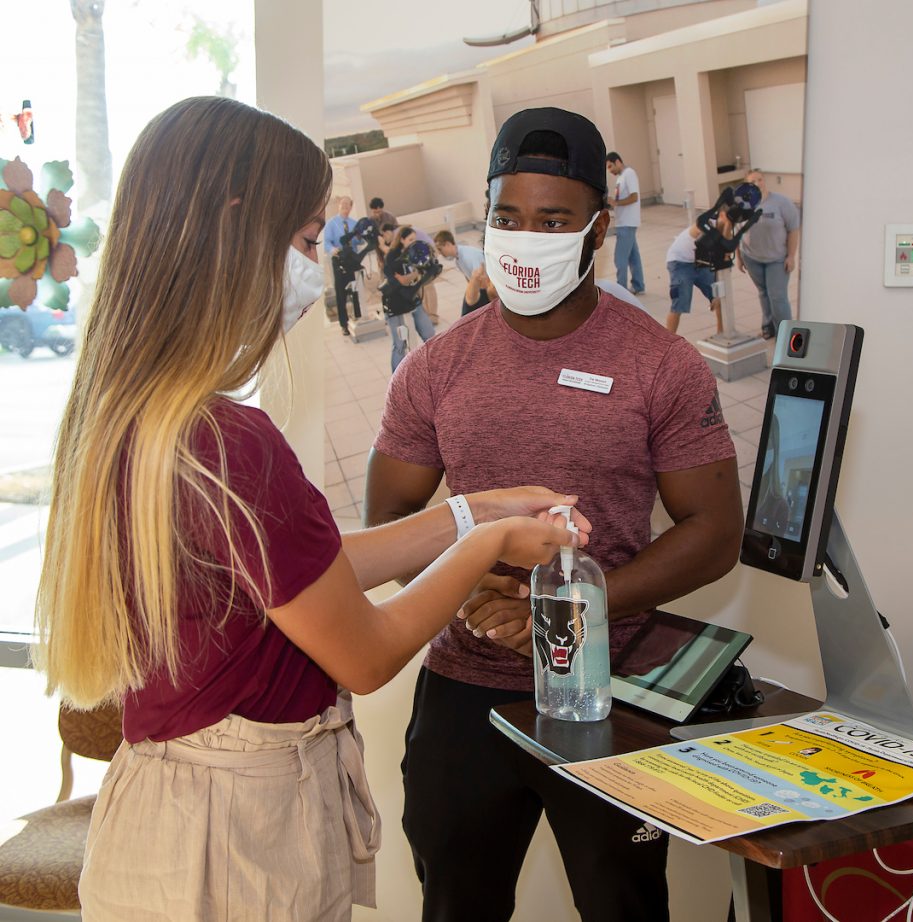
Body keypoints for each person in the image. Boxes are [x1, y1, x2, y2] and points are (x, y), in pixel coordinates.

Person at [33, 96, 590, 922]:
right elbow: (362, 654)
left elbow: (305, 573)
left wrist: (472, 510)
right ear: (235, 227)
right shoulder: (229, 443)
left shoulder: (141, 415)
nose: (310, 265)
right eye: (301, 242)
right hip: (238, 846)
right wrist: (495, 544)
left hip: (164, 817)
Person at [365, 106, 743, 922]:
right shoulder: (435, 368)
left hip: (611, 693)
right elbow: (393, 512)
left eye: (553, 219)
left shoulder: (660, 365)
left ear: (598, 229)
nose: (523, 237)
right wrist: (465, 592)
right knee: (456, 904)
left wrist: (564, 605)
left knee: (625, 906)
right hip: (465, 690)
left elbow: (715, 533)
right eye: (507, 216)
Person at [736, 169, 801, 340]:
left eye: (760, 180)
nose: (757, 184)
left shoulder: (781, 203)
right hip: (752, 257)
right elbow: (737, 231)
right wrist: (739, 256)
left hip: (777, 259)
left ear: (764, 181)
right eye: (752, 181)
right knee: (763, 292)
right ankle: (768, 327)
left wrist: (791, 256)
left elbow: (793, 229)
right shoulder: (743, 203)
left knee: (777, 296)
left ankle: (786, 335)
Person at [381, 224, 436, 372]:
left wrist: (417, 274)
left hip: (412, 299)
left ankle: (433, 370)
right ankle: (396, 380)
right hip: (395, 304)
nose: (413, 242)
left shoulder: (415, 252)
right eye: (410, 239)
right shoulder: (393, 257)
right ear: (402, 240)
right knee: (400, 344)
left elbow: (421, 272)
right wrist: (414, 274)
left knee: (430, 335)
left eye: (415, 239)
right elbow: (401, 281)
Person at [663, 220, 720, 336]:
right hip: (679, 262)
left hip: (700, 261)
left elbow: (719, 262)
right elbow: (699, 230)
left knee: (720, 296)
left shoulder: (727, 231)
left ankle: (722, 331)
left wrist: (717, 287)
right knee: (679, 303)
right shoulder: (707, 224)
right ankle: (668, 342)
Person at [606, 151, 645, 294]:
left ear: (618, 162)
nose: (610, 171)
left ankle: (621, 292)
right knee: (633, 256)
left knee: (620, 258)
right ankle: (638, 286)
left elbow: (634, 197)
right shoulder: (621, 178)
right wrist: (612, 203)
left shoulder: (629, 173)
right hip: (624, 221)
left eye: (610, 166)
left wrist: (616, 202)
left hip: (627, 223)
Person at [324, 195, 360, 335]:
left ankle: (358, 317)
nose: (345, 206)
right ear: (339, 205)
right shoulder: (332, 223)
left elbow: (359, 241)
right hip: (339, 261)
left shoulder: (354, 223)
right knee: (341, 293)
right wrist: (333, 250)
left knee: (357, 291)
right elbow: (326, 242)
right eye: (343, 204)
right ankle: (344, 324)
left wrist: (358, 238)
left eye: (348, 204)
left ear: (351, 207)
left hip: (353, 261)